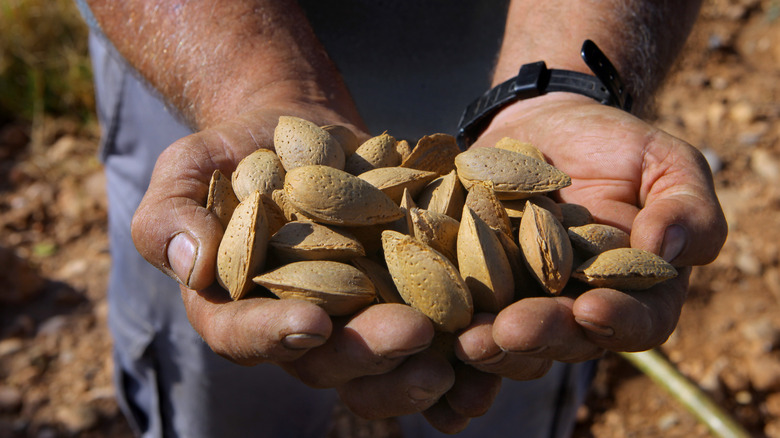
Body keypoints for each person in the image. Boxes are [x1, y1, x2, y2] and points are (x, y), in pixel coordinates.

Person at [76, 1, 727, 437]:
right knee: (224, 398)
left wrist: (564, 82)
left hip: (520, 40)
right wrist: (254, 91)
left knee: (508, 364)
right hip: (204, 48)